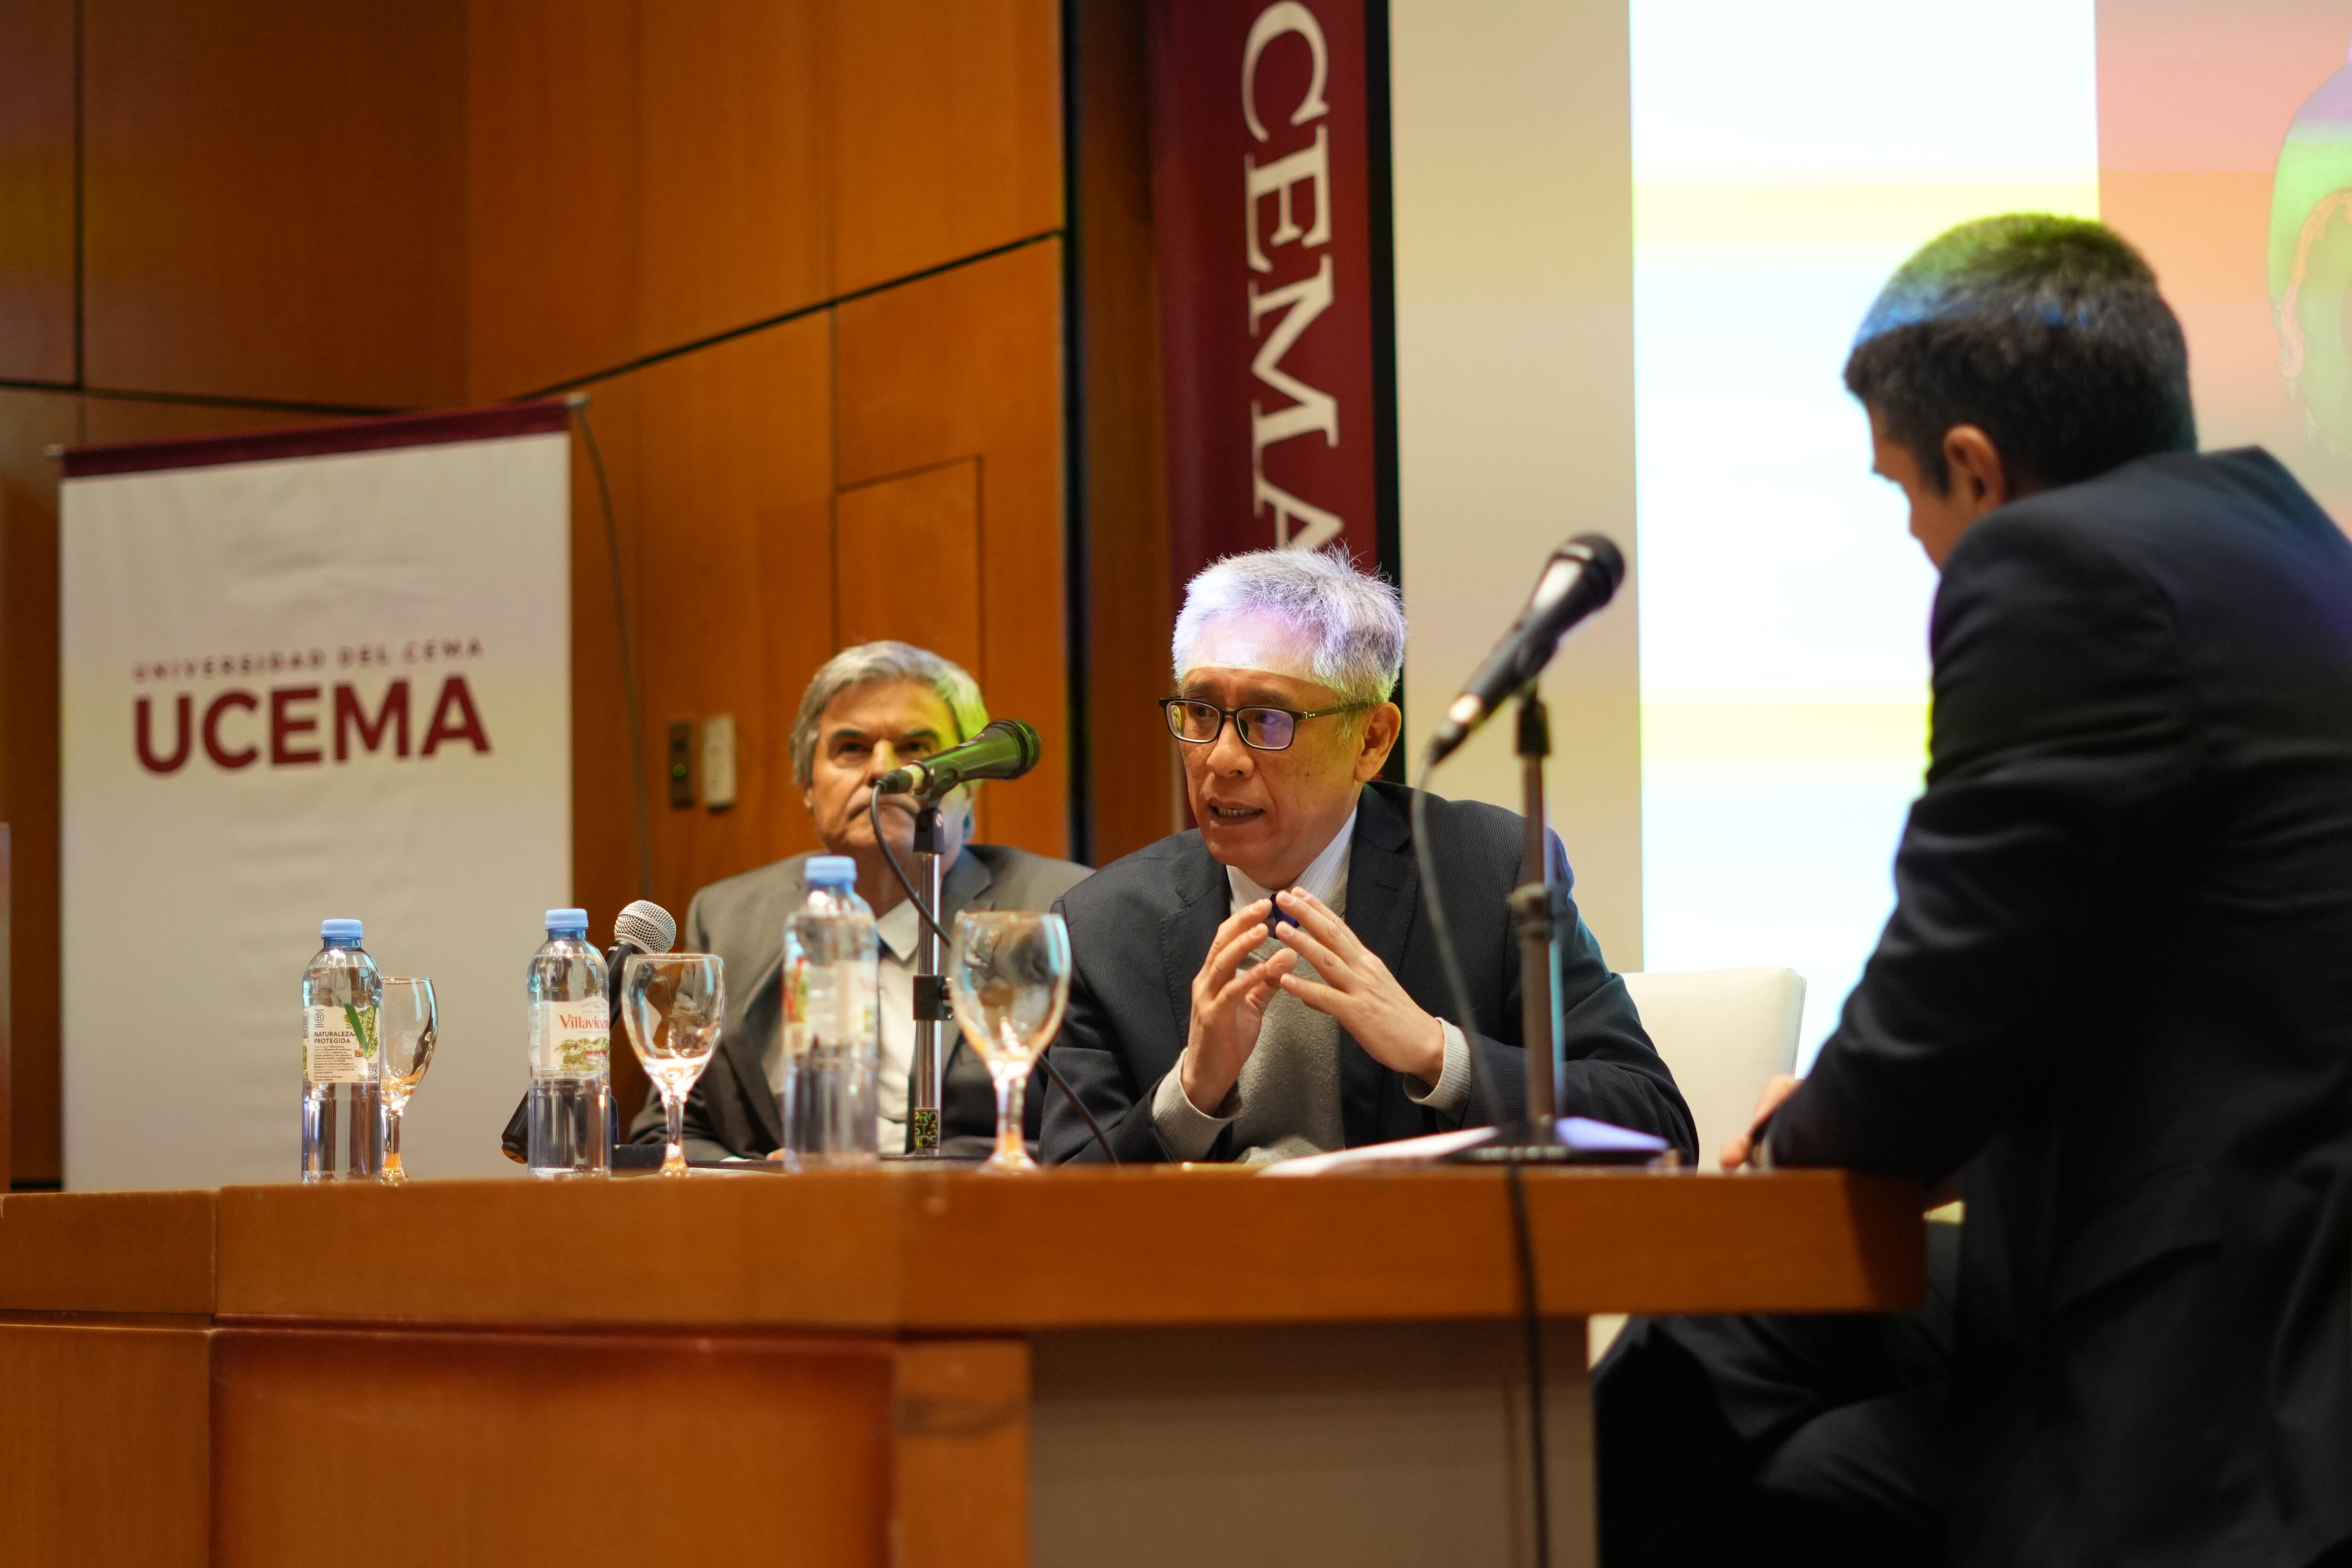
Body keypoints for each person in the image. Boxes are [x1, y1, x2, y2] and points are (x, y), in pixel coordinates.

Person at [1596, 215, 2352, 1568]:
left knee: (1707, 1382)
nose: (1919, 541)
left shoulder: (2053, 568)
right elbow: (2094, 970)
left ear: (1974, 466)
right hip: (2271, 1258)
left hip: (2217, 1349)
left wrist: (1791, 1143)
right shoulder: (2295, 546)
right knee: (1751, 1370)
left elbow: (1950, 993)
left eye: (1904, 499)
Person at [1039, 546, 1693, 1164]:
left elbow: (1657, 1126)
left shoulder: (1489, 872)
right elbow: (1056, 1212)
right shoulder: (1103, 926)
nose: (1222, 758)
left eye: (1270, 720)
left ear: (1372, 741)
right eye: (1202, 712)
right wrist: (1190, 1093)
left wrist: (1440, 1055)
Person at [630, 642, 1090, 1161]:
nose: (880, 770)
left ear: (969, 790)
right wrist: (761, 1179)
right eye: (850, 748)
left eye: (917, 747)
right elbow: (668, 1134)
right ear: (807, 786)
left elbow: (1095, 1131)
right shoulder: (727, 919)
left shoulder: (1059, 909)